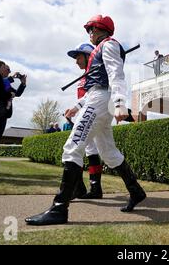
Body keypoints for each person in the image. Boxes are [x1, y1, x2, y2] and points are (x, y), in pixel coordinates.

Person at [26, 14, 146, 226]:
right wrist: (77, 106)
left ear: (104, 30)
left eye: (94, 29)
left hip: (102, 99)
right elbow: (93, 88)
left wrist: (120, 102)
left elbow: (116, 74)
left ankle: (59, 209)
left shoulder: (108, 45)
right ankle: (136, 191)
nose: (90, 33)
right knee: (109, 152)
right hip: (97, 98)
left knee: (73, 147)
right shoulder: (99, 50)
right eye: (89, 30)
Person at [66, 42, 104, 200]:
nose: (76, 61)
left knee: (77, 148)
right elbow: (84, 98)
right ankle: (93, 189)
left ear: (89, 56)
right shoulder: (87, 74)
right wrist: (75, 109)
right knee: (91, 150)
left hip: (94, 113)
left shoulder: (96, 73)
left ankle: (81, 189)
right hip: (86, 112)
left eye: (78, 57)